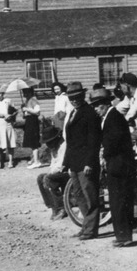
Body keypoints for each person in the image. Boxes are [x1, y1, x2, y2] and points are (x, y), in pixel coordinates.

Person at [42, 83, 99, 225]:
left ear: (83, 96)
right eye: (71, 98)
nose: (74, 100)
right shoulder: (72, 113)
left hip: (85, 161)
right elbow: (70, 143)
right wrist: (66, 163)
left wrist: (89, 162)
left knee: (88, 195)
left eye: (77, 97)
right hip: (73, 161)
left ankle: (92, 228)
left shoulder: (89, 113)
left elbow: (93, 141)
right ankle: (86, 226)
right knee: (78, 195)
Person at [89, 85, 137, 246]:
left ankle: (125, 237)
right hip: (116, 165)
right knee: (117, 202)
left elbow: (114, 142)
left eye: (97, 106)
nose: (96, 109)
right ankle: (122, 236)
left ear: (105, 104)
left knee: (121, 202)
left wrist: (104, 153)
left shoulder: (114, 117)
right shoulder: (109, 118)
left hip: (121, 166)